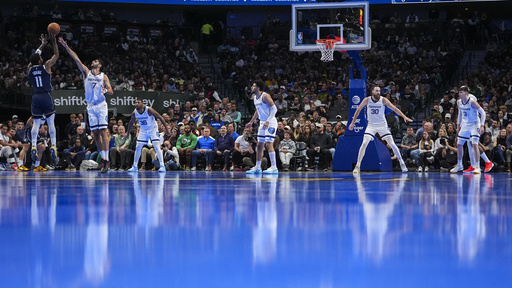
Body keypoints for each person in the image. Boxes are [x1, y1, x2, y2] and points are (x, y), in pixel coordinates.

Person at [58, 37, 114, 173]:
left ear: (99, 65)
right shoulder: (86, 73)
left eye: (96, 61)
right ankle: (104, 158)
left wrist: (106, 90)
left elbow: (111, 91)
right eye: (93, 61)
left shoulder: (103, 76)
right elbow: (76, 58)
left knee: (103, 131)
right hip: (90, 106)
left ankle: (105, 160)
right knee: (95, 133)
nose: (93, 62)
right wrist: (66, 47)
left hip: (101, 105)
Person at [349, 86, 412, 174]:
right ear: (372, 92)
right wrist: (352, 123)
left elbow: (394, 108)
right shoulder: (367, 100)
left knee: (392, 144)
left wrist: (404, 116)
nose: (378, 92)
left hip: (382, 125)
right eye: (376, 91)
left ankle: (402, 163)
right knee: (364, 143)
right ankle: (358, 166)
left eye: (379, 91)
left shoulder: (383, 100)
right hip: (371, 125)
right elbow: (358, 110)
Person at [26, 34, 59, 165]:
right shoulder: (46, 66)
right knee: (51, 123)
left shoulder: (29, 69)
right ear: (40, 60)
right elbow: (56, 55)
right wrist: (53, 41)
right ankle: (54, 146)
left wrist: (42, 45)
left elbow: (32, 59)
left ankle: (33, 145)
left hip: (36, 97)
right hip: (45, 96)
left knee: (36, 123)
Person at [450, 86, 487, 174]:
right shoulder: (459, 102)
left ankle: (477, 167)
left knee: (474, 144)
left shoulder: (472, 102)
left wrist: (482, 126)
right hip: (466, 124)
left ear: (466, 93)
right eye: (459, 92)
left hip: (475, 124)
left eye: (461, 92)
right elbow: (460, 114)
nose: (459, 94)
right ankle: (459, 165)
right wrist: (458, 126)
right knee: (459, 144)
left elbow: (483, 113)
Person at [245, 80, 279, 174]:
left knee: (269, 144)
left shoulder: (265, 96)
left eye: (253, 86)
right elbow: (257, 110)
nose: (252, 87)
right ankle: (257, 167)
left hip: (270, 122)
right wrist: (251, 122)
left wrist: (268, 121)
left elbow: (274, 109)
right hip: (263, 122)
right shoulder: (255, 97)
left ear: (258, 88)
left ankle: (274, 167)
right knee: (259, 145)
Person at [125, 99, 167, 172]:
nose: (137, 103)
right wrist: (127, 133)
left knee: (156, 146)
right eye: (135, 102)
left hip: (153, 129)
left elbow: (159, 117)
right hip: (143, 130)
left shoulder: (149, 110)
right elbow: (131, 122)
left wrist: (167, 129)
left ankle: (162, 166)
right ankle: (135, 166)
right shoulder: (134, 112)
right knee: (138, 146)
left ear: (142, 104)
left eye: (138, 102)